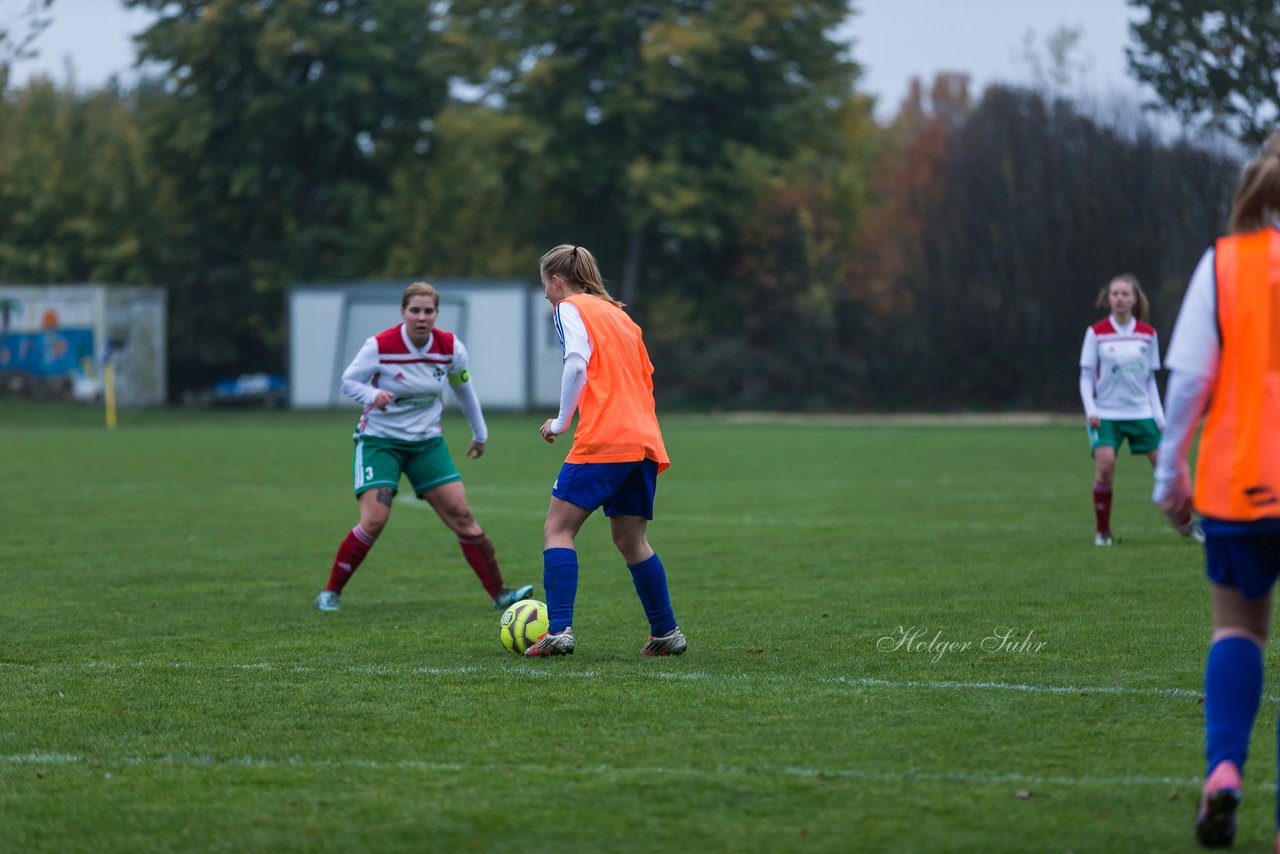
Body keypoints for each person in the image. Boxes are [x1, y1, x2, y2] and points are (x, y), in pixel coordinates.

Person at [1153, 131, 1280, 850]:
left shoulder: (1225, 263)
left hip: (1239, 484)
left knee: (1237, 630)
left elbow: (1191, 383)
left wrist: (1170, 477)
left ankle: (1224, 771)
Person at [313, 282, 533, 613]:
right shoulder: (380, 346)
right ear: (402, 312)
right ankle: (330, 592)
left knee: (462, 515)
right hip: (379, 442)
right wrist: (373, 396)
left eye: (428, 311)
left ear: (436, 314)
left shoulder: (449, 348)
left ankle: (500, 594)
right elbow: (348, 381)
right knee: (375, 518)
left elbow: (464, 390)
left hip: (426, 444)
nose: (421, 317)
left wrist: (480, 433)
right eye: (414, 310)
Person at [523, 244, 686, 657]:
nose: (545, 294)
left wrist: (561, 421)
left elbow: (576, 363)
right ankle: (666, 632)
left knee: (558, 530)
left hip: (605, 438)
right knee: (632, 540)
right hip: (644, 440)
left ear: (557, 281)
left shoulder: (569, 307)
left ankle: (559, 630)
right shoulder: (622, 317)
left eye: (545, 285)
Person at [1079, 274, 1201, 545]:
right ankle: (1103, 532)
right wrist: (1091, 410)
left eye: (1125, 294)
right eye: (1114, 294)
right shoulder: (1096, 333)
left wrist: (1159, 416)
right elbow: (1086, 377)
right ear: (1108, 299)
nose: (1119, 299)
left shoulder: (1148, 335)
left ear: (1135, 299)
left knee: (1165, 467)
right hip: (1106, 414)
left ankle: (1187, 525)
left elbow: (1149, 380)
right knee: (1106, 465)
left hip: (1141, 412)